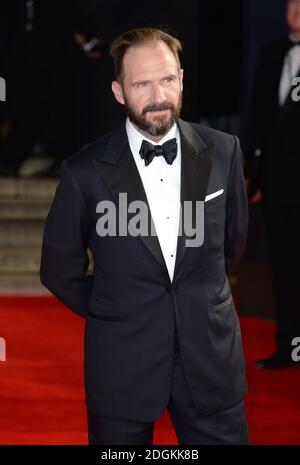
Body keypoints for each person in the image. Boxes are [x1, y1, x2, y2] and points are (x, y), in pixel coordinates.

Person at [40, 28, 249, 445]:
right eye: (142, 83)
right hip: (122, 364)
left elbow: (231, 243)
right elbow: (59, 269)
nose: (158, 95)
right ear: (119, 91)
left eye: (168, 79)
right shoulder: (84, 172)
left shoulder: (224, 151)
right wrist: (115, 308)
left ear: (183, 79)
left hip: (211, 359)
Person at [245, 0, 300, 369]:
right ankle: (289, 348)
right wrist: (254, 175)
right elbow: (258, 118)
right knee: (284, 270)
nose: (296, 9)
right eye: (292, 2)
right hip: (279, 185)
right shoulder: (272, 54)